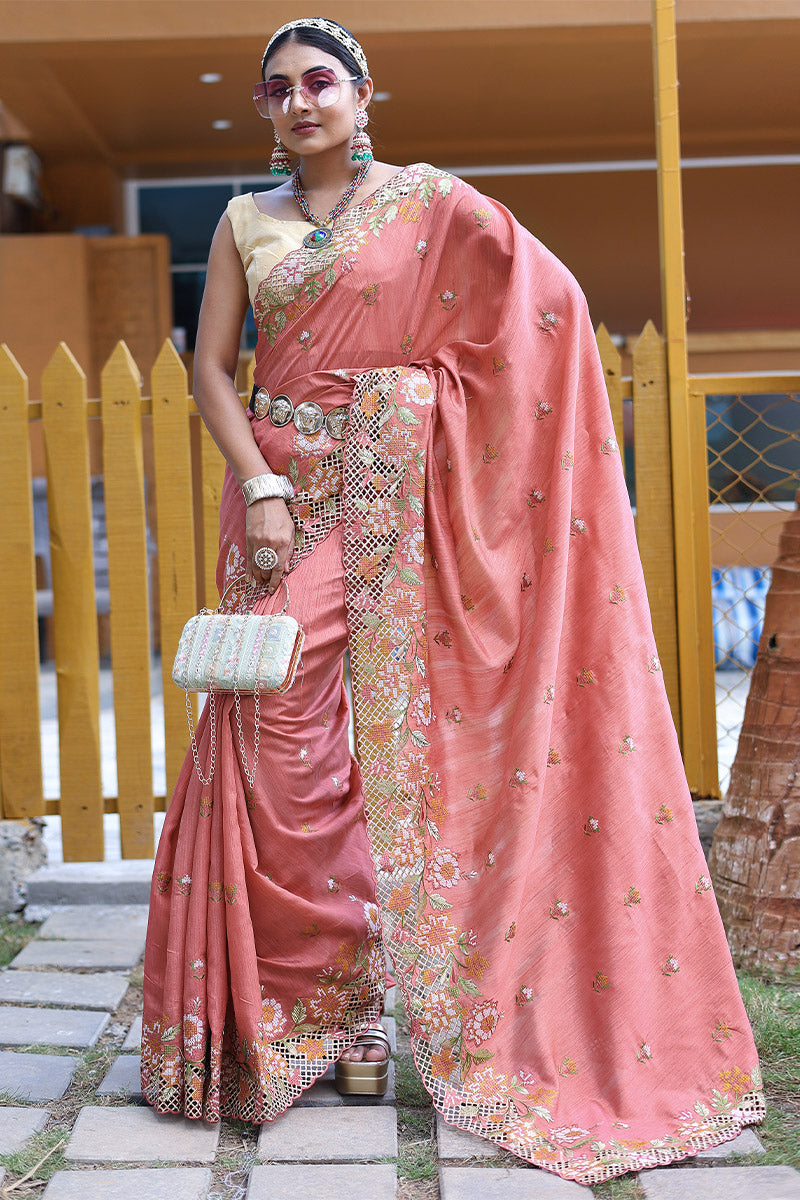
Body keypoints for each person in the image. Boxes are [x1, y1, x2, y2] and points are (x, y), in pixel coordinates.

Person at [142, 17, 764, 1185]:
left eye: (318, 81)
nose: (297, 102)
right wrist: (264, 484)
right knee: (276, 748)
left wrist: (415, 411)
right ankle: (290, 1012)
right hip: (281, 508)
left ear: (365, 93)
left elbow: (545, 316)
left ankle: (374, 1006)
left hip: (405, 504)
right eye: (275, 90)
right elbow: (210, 370)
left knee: (402, 751)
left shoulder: (434, 204)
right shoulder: (243, 222)